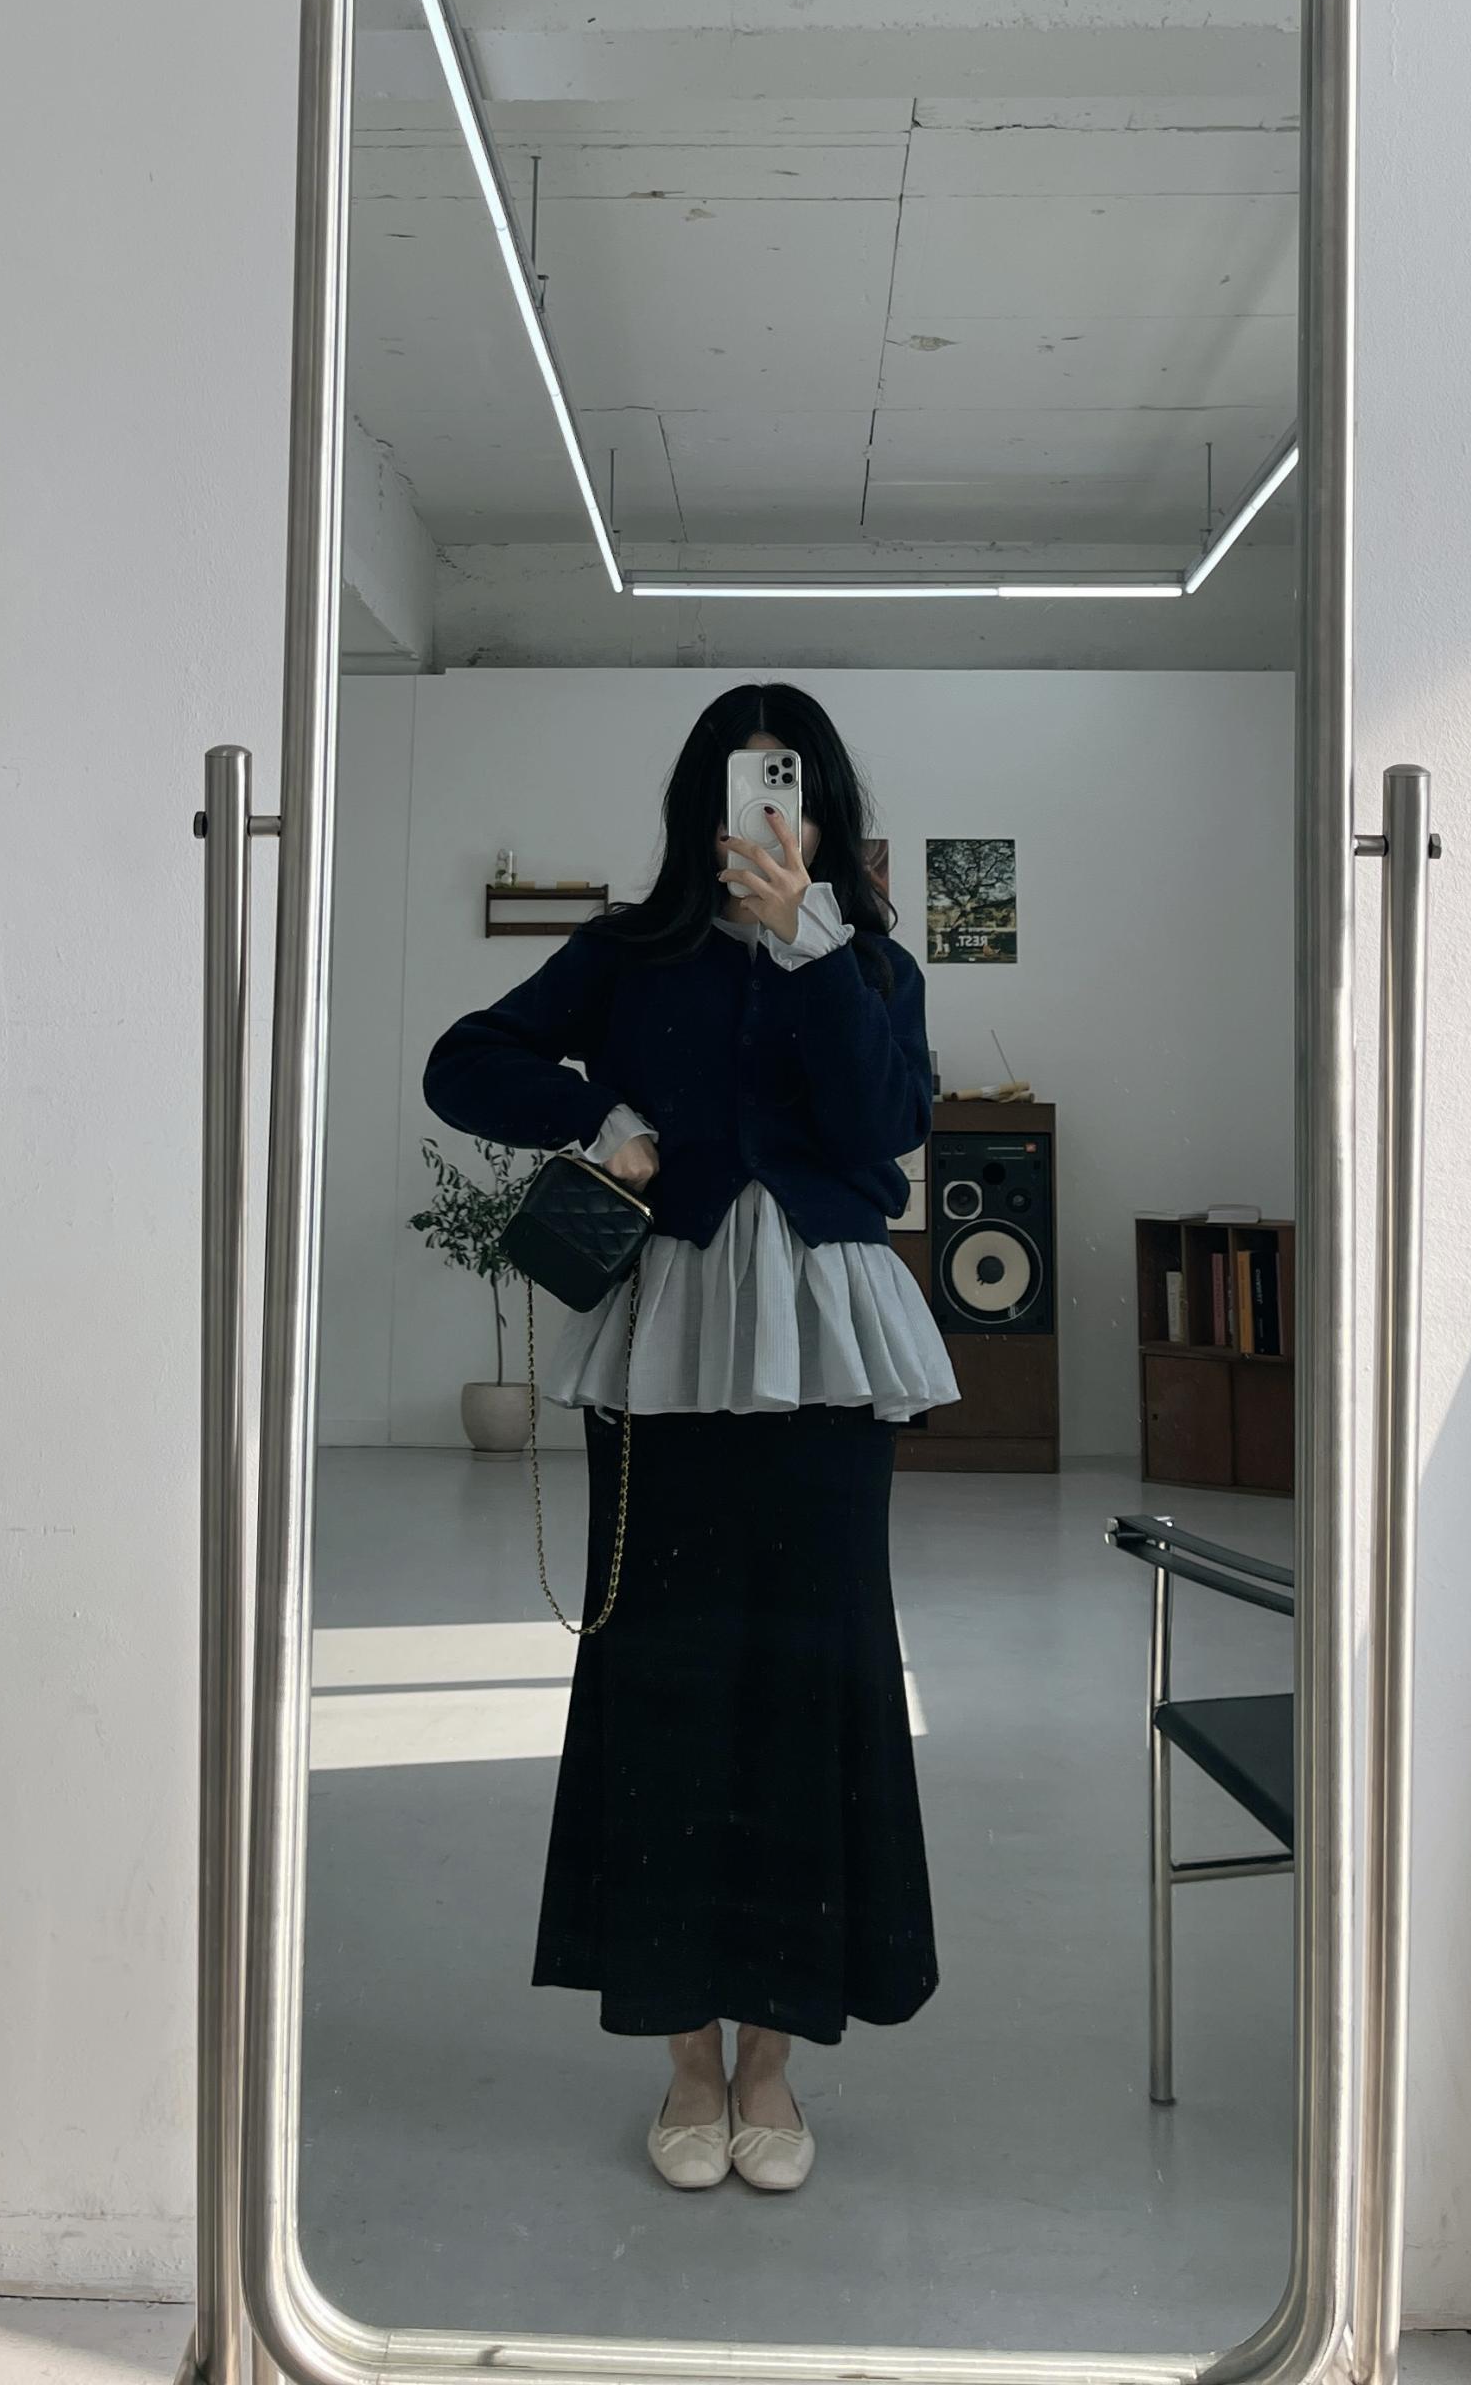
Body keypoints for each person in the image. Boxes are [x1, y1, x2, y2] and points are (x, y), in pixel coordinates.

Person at [422, 683, 957, 2194]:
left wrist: (813, 944)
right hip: (664, 1346)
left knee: (813, 1684)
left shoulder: (873, 964)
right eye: (745, 785)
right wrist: (600, 1119)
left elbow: (882, 1128)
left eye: (794, 787)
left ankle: (773, 2058)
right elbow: (463, 1060)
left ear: (826, 808)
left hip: (827, 1354)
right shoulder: (628, 951)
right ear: (701, 806)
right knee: (659, 1680)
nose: (771, 811)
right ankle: (684, 2059)